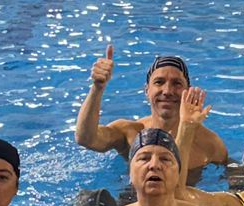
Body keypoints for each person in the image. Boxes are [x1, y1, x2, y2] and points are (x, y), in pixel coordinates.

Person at [76, 46, 229, 181]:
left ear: (187, 92)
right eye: (159, 82)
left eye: (177, 83)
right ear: (146, 91)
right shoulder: (130, 132)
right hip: (134, 204)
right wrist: (97, 88)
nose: (168, 91)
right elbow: (86, 138)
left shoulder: (210, 145)